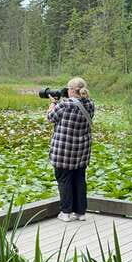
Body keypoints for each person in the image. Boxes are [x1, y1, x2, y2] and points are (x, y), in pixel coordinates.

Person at [46, 77, 95, 222]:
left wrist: (52, 104)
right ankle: (80, 213)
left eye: (68, 88)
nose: (66, 91)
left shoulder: (64, 105)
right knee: (79, 179)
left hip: (64, 151)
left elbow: (50, 117)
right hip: (81, 150)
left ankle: (66, 212)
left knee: (64, 179)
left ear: (72, 90)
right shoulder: (90, 105)